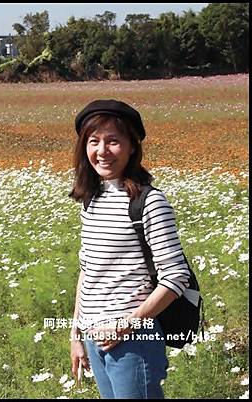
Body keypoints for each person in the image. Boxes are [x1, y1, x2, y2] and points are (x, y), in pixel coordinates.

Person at [68, 99, 192, 399]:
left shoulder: (149, 203)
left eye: (113, 141)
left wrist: (124, 327)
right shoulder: (91, 200)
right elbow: (88, 271)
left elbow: (176, 278)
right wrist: (76, 333)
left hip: (134, 341)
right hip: (96, 338)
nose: (102, 151)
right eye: (94, 141)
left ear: (132, 147)